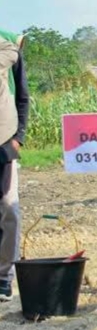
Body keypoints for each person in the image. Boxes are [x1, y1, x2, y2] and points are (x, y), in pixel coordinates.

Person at [0, 30, 26, 302]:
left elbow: (23, 94)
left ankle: (4, 277)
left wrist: (19, 136)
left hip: (5, 140)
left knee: (8, 207)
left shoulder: (8, 39)